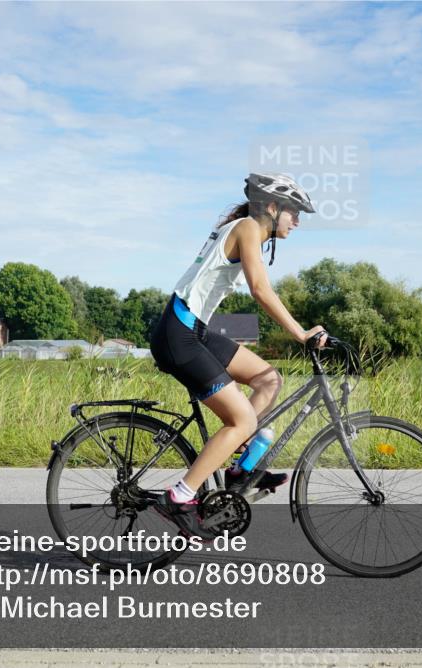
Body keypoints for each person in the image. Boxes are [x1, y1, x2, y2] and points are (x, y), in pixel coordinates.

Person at [149, 173, 328, 539]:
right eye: (294, 212)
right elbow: (260, 289)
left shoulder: (246, 230)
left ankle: (240, 470)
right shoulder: (247, 227)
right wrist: (301, 334)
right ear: (272, 207)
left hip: (192, 330)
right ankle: (180, 496)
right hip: (178, 334)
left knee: (268, 379)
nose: (297, 221)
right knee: (243, 420)